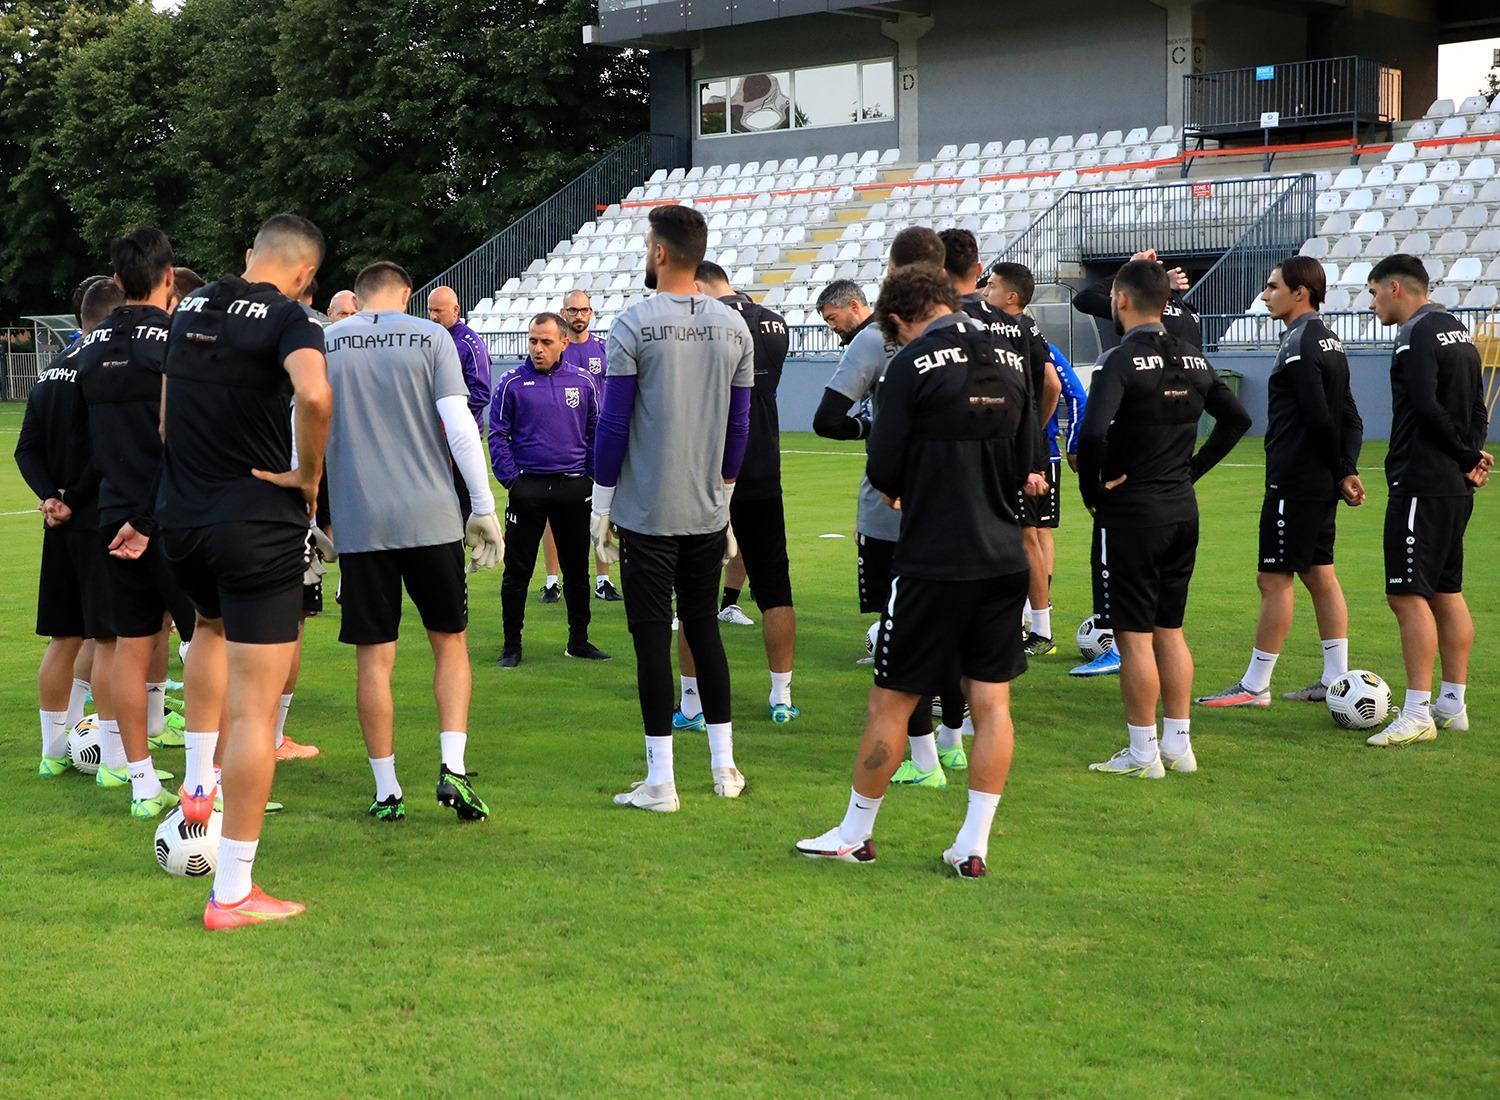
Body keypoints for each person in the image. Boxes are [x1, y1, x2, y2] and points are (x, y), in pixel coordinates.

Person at [795, 266, 1040, 877]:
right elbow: (1029, 459)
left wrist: (911, 483)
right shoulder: (1011, 355)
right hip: (1003, 554)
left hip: (934, 556)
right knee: (992, 701)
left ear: (902, 318)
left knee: (891, 698)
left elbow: (883, 466)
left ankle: (855, 833)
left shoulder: (910, 363)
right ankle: (973, 844)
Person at [156, 213, 332, 929]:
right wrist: (307, 476)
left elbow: (165, 419)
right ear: (306, 274)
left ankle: (198, 787)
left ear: (250, 253)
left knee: (207, 629)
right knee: (256, 710)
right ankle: (232, 892)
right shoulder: (293, 319)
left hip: (180, 518)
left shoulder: (189, 306)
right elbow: (314, 395)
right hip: (254, 524)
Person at [323, 261, 504, 818]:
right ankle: (453, 769)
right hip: (431, 517)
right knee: (449, 643)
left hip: (361, 521)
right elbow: (461, 427)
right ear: (406, 293)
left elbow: (303, 427)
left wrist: (306, 513)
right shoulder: (432, 337)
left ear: (359, 296)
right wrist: (483, 506)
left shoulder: (328, 342)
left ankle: (387, 792)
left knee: (375, 659)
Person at [590, 203, 753, 812]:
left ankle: (661, 780)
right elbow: (739, 427)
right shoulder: (733, 326)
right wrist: (725, 500)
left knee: (652, 638)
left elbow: (613, 424)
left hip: (647, 511)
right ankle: (724, 767)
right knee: (704, 629)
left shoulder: (633, 322)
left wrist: (600, 505)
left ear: (659, 252)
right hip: (707, 509)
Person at [1075, 259, 1250, 779]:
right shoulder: (1194, 357)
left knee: (1133, 636)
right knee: (1169, 630)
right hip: (1180, 508)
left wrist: (1093, 491)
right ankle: (1179, 746)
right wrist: (1191, 470)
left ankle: (1143, 753)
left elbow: (1093, 433)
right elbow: (1237, 419)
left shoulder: (1119, 360)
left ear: (1121, 300)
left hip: (1133, 512)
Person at [812, 233, 970, 784]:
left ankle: (923, 761)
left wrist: (872, 433)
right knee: (953, 629)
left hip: (896, 510)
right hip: (966, 509)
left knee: (901, 632)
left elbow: (827, 418)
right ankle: (953, 743)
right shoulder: (981, 331)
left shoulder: (880, 338)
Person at [1197, 257, 1364, 708]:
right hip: (1319, 479)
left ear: (1300, 292)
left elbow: (1319, 417)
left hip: (1295, 479)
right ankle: (1336, 678)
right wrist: (1345, 469)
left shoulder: (1300, 342)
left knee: (1272, 577)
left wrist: (1339, 469)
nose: (1265, 295)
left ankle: (1255, 686)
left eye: (1273, 287)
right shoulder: (1330, 340)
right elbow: (1349, 416)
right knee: (1319, 573)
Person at [76, 227, 199, 817]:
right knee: (205, 643)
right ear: (169, 276)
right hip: (171, 515)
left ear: (116, 281)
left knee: (129, 645)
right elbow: (184, 440)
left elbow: (84, 443)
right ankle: (204, 782)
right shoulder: (176, 343)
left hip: (113, 516)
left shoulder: (88, 349)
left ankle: (142, 784)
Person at [1362, 254, 1491, 747]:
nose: (1372, 303)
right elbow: (1477, 407)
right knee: (1445, 591)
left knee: (1406, 594)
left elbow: (1423, 404)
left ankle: (1417, 712)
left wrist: (1464, 456)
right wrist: (1470, 456)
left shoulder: (1414, 334)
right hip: (1453, 484)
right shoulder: (1459, 331)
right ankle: (1452, 704)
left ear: (1395, 288)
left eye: (1374, 292)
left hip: (1421, 482)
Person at [676, 261, 797, 723]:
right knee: (776, 589)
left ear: (698, 285)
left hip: (709, 473)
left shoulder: (701, 325)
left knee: (695, 594)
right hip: (763, 470)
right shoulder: (775, 323)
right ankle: (781, 697)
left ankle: (691, 703)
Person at [15, 279, 121, 776]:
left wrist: (50, 498)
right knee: (109, 641)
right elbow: (105, 448)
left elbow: (26, 448)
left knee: (63, 637)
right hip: (97, 518)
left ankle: (52, 754)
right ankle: (115, 762)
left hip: (59, 524)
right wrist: (73, 499)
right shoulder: (105, 364)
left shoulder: (50, 370)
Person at [489, 312, 608, 667]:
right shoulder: (511, 383)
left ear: (563, 343)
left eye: (546, 342)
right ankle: (512, 646)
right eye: (533, 341)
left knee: (577, 571)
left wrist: (589, 476)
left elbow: (595, 431)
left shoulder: (583, 382)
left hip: (573, 487)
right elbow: (497, 434)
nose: (538, 348)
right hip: (529, 488)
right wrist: (512, 480)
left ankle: (579, 641)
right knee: (517, 571)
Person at [982, 258, 1064, 656]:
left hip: (1019, 446)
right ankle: (1020, 620)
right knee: (1026, 534)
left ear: (1012, 296)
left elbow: (1052, 385)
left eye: (993, 286)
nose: (986, 291)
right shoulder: (1026, 328)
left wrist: (1031, 425)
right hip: (1027, 442)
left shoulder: (1016, 329)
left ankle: (1040, 630)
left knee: (1024, 535)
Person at [555, 288, 621, 602]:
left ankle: (603, 579)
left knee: (602, 508)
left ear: (591, 313)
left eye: (584, 310)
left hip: (601, 440)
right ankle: (553, 580)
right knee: (554, 510)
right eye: (573, 310)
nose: (579, 315)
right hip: (566, 440)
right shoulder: (557, 349)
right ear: (563, 313)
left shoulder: (604, 349)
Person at [427, 284, 493, 522]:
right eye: (430, 310)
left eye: (438, 310)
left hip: (460, 438)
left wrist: (448, 410)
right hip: (433, 436)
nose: (433, 316)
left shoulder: (469, 344)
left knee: (462, 506)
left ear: (456, 310)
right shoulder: (431, 339)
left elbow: (482, 392)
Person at [1072, 248, 1202, 348]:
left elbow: (1084, 299)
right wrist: (1166, 286)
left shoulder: (1137, 309)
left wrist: (1131, 268)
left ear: (1123, 300)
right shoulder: (1189, 312)